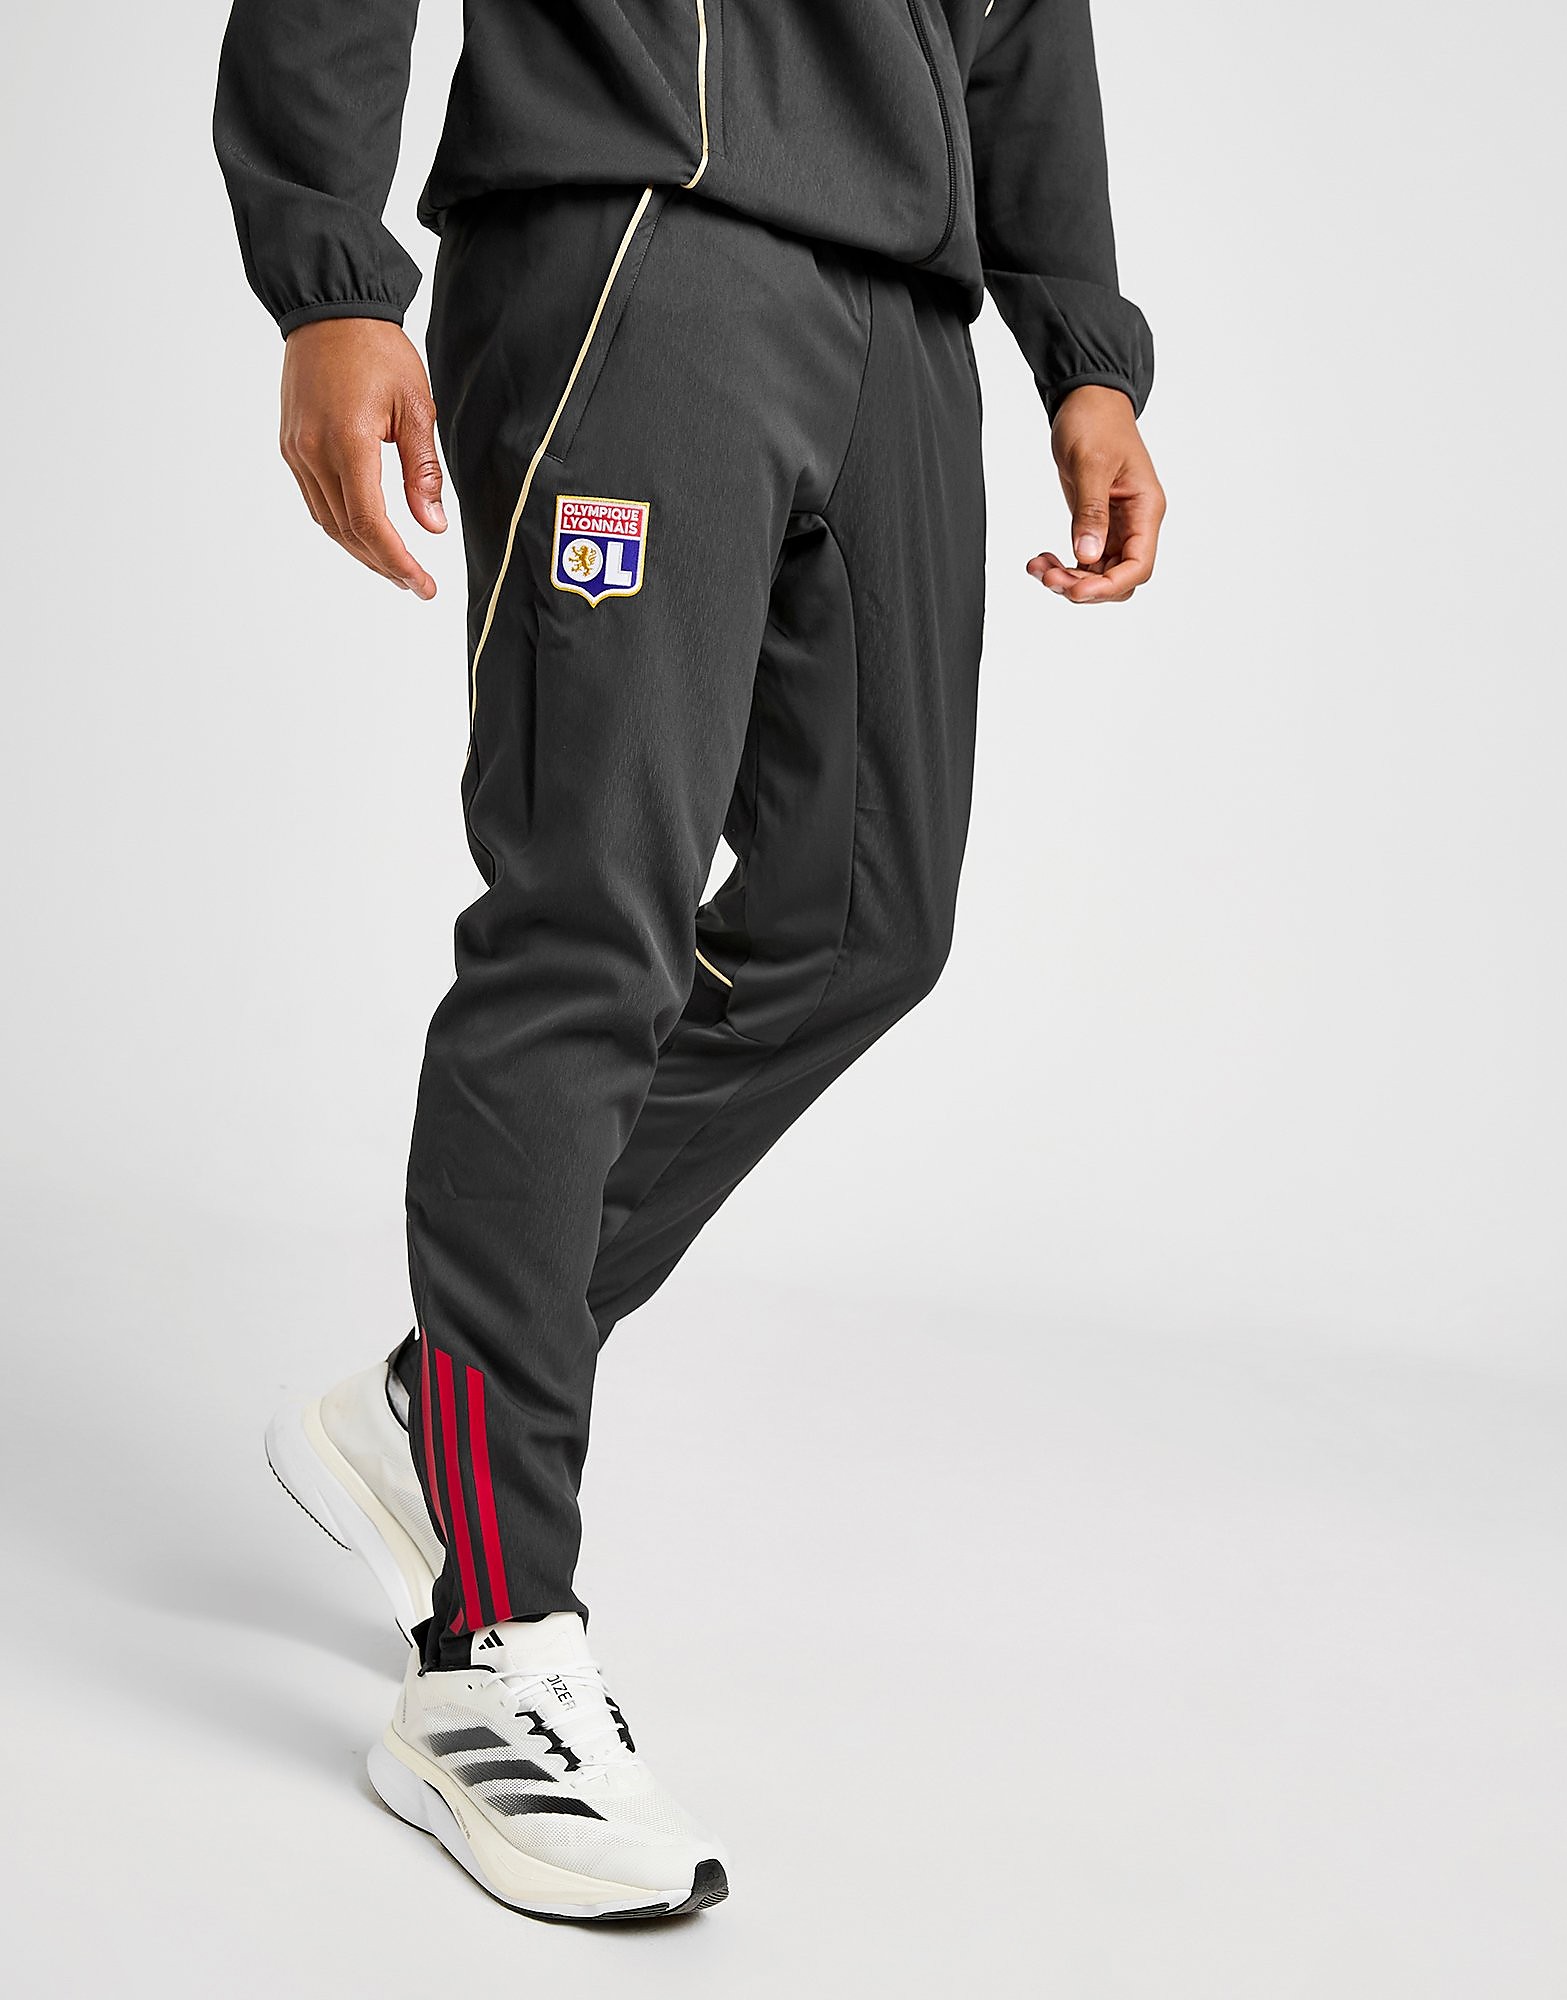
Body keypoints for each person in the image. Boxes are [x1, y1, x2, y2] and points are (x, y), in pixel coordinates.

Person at [215, 0, 1164, 1923]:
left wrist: (1082, 346)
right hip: (638, 229)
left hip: (906, 306)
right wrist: (331, 270)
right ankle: (489, 1655)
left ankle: (442, 1401)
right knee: (589, 928)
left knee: (863, 923)